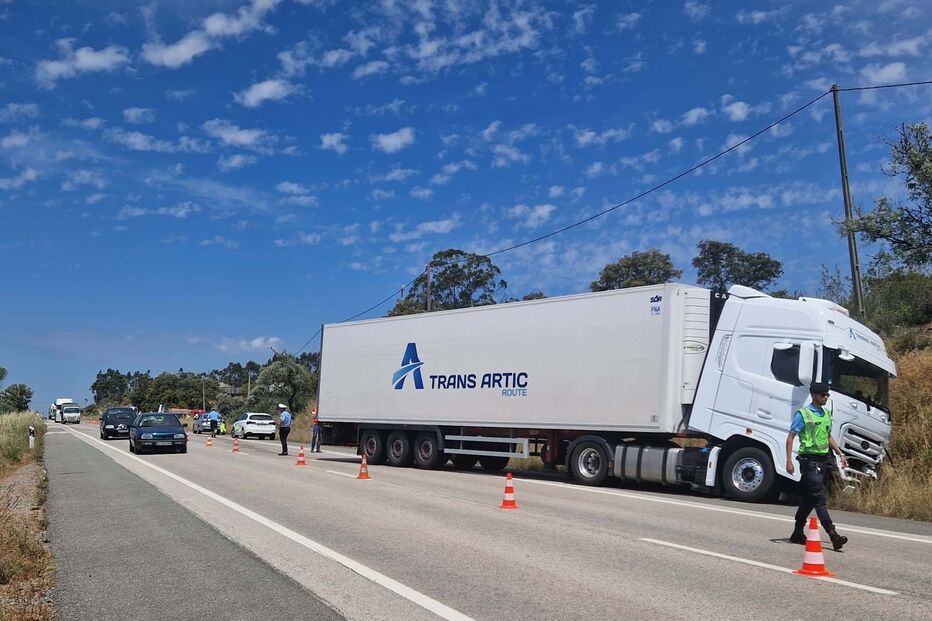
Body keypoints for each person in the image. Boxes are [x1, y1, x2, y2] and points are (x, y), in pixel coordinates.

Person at [785, 381, 849, 550]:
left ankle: (797, 532)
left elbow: (827, 436)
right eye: (823, 395)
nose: (826, 397)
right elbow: (791, 438)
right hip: (809, 461)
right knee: (819, 497)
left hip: (823, 460)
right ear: (814, 395)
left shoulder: (826, 413)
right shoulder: (803, 414)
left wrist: (840, 453)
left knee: (810, 498)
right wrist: (789, 461)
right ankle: (833, 535)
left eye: (827, 394)